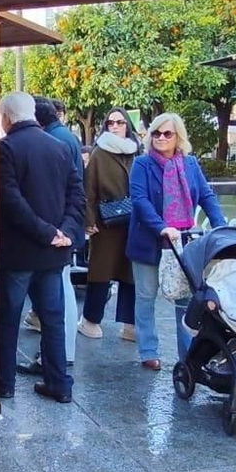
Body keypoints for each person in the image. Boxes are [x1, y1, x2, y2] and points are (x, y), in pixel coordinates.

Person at [0, 92, 83, 403]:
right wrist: (65, 233)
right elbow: (77, 197)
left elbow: (10, 201)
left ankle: (3, 384)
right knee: (53, 320)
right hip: (53, 254)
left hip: (19, 253)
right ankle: (60, 384)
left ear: (6, 118)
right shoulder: (59, 148)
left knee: (8, 320)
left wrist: (47, 232)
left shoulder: (4, 149)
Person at [126, 112, 227, 371]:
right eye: (156, 133)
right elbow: (140, 200)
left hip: (184, 241)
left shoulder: (190, 164)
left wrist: (221, 226)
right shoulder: (142, 164)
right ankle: (148, 351)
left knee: (185, 301)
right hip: (150, 239)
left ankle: (189, 357)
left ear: (177, 137)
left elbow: (206, 195)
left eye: (167, 133)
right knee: (146, 297)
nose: (160, 138)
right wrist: (161, 227)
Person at [80, 107, 138, 341]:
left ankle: (130, 324)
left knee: (130, 275)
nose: (115, 126)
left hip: (133, 223)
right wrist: (89, 220)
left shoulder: (136, 152)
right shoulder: (99, 153)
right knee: (100, 274)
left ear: (127, 125)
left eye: (120, 122)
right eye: (110, 123)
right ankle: (90, 320)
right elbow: (89, 190)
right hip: (105, 223)